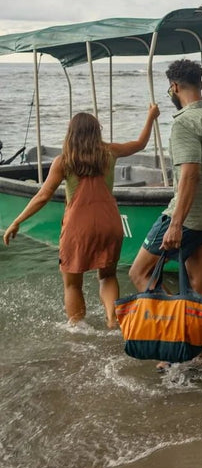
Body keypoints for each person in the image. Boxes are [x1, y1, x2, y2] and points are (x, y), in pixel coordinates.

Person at [128, 58, 202, 369]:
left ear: (175, 87)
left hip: (187, 217)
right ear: (200, 83)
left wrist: (176, 224)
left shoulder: (184, 123)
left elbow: (189, 176)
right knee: (198, 281)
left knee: (138, 273)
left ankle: (174, 341)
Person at [3, 104, 160, 328]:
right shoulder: (110, 152)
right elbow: (140, 144)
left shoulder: (64, 161)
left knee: (72, 285)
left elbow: (43, 195)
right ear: (97, 131)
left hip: (78, 226)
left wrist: (17, 221)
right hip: (110, 223)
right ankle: (112, 319)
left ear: (71, 133)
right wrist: (151, 117)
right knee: (107, 276)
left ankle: (79, 331)